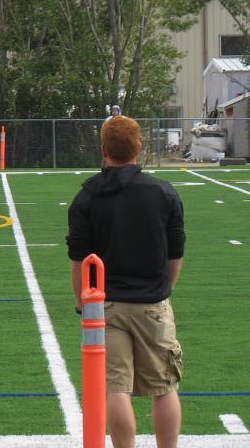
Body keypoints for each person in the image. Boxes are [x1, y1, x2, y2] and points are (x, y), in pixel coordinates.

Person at [67, 115, 185, 448]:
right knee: (164, 388)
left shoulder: (86, 198)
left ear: (104, 149)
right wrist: (164, 291)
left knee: (116, 389)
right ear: (139, 148)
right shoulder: (163, 192)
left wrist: (82, 303)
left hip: (106, 305)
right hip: (153, 303)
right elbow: (175, 255)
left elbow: (79, 261)